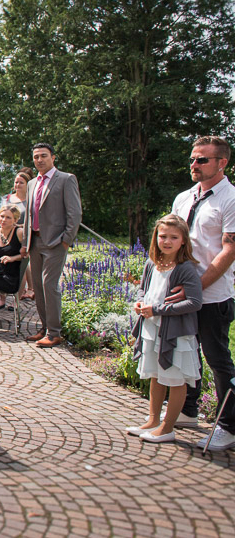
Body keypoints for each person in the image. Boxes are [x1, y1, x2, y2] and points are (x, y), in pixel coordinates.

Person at [168, 135, 235, 450]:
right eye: (192, 159)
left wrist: (196, 286)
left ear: (222, 163)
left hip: (213, 296)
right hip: (182, 291)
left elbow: (229, 250)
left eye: (202, 160)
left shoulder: (230, 199)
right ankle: (187, 410)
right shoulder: (183, 197)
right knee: (186, 351)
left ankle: (229, 426)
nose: (193, 165)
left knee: (217, 359)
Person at [127, 214, 203, 443]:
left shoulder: (186, 268)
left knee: (175, 378)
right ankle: (152, 420)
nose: (167, 241)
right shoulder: (152, 263)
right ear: (155, 238)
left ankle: (168, 427)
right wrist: (140, 302)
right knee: (157, 376)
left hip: (175, 333)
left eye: (173, 237)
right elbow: (143, 290)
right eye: (162, 236)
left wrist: (158, 309)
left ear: (183, 241)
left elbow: (194, 302)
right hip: (153, 329)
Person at [23, 142, 82, 348]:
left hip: (55, 242)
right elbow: (29, 215)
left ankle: (54, 332)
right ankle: (45, 327)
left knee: (50, 285)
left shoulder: (66, 179)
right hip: (35, 241)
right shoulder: (31, 183)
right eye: (36, 156)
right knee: (38, 287)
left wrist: (66, 241)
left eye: (43, 156)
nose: (39, 160)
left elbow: (74, 213)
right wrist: (26, 242)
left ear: (53, 157)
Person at [0, 169, 33, 304]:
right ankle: (2, 298)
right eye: (16, 182)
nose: (18, 185)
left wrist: (20, 227)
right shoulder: (7, 199)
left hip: (21, 236)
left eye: (21, 183)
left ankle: (17, 299)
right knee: (1, 263)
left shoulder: (31, 200)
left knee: (21, 266)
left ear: (27, 184)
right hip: (5, 235)